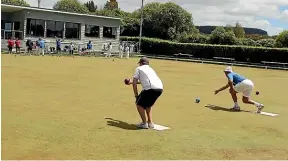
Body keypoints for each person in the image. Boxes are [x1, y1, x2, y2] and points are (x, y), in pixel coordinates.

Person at [127, 57, 163, 129]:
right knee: (148, 105)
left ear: (140, 63)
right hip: (160, 88)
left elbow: (135, 82)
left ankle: (144, 123)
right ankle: (150, 123)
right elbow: (145, 81)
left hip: (150, 89)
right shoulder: (151, 69)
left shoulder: (138, 68)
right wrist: (131, 82)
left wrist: (136, 95)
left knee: (139, 104)